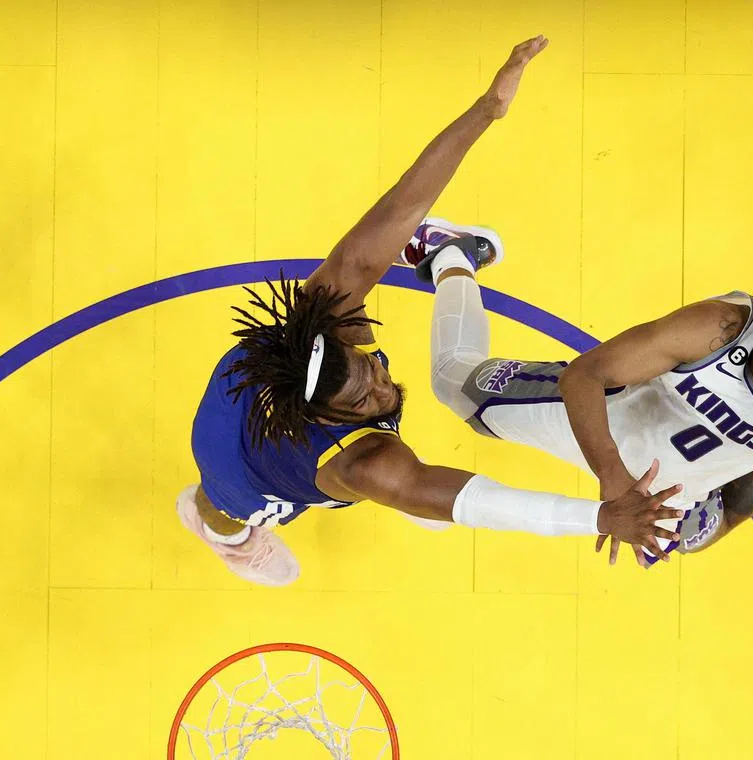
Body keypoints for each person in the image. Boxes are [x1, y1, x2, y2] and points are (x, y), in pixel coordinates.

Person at [177, 36, 682, 586]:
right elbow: (481, 503)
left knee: (419, 472)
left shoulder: (326, 312)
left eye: (370, 370)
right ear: (324, 419)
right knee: (218, 508)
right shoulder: (364, 463)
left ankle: (447, 254)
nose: (383, 386)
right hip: (235, 463)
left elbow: (406, 202)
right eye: (363, 400)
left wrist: (487, 109)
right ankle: (231, 543)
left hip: (254, 382)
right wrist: (599, 517)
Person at [409, 225, 753, 567]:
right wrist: (614, 482)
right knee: (452, 382)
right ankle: (455, 256)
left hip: (689, 505)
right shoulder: (719, 327)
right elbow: (584, 377)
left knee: (696, 539)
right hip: (610, 426)